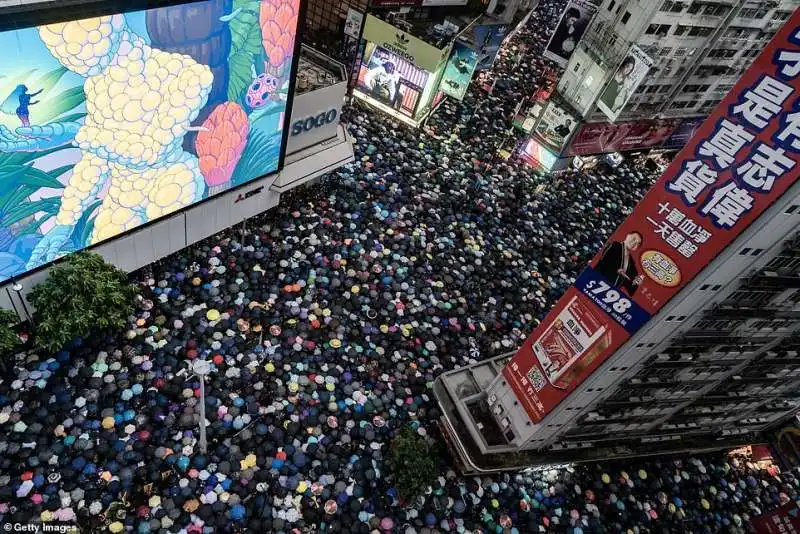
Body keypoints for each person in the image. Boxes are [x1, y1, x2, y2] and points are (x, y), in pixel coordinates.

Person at [594, 231, 643, 295]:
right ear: (628, 236)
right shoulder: (615, 245)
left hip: (610, 293)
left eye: (637, 243)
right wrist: (617, 270)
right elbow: (604, 261)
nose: (634, 243)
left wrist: (636, 283)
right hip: (596, 282)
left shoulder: (631, 264)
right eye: (633, 239)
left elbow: (630, 288)